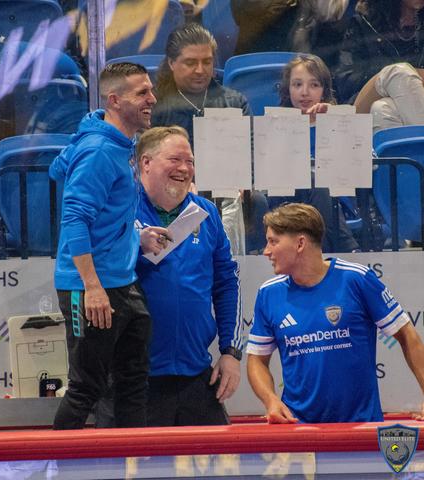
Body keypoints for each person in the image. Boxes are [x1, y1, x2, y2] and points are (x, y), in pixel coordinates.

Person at [49, 62, 159, 430]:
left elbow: (58, 169)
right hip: (93, 287)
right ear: (114, 100)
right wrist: (92, 287)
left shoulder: (118, 142)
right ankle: (58, 461)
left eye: (151, 90)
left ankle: (134, 460)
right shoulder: (98, 150)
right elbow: (75, 220)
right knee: (86, 388)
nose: (152, 99)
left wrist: (135, 238)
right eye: (142, 93)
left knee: (132, 383)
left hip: (123, 282)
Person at [247, 202, 424, 423]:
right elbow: (256, 360)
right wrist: (270, 400)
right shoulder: (268, 293)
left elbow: (407, 335)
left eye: (273, 242)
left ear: (300, 243)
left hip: (362, 428)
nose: (266, 251)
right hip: (297, 429)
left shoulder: (357, 279)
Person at [137, 125, 243, 426]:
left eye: (190, 161)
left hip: (196, 374)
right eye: (175, 159)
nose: (184, 169)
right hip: (135, 379)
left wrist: (231, 352)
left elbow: (227, 283)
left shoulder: (206, 214)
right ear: (146, 163)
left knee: (218, 456)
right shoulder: (120, 209)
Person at [152, 22, 268, 254]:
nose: (200, 70)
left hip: (229, 190)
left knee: (257, 201)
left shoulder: (234, 102)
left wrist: (244, 180)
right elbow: (148, 160)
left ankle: (248, 264)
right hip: (173, 186)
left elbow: (253, 153)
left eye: (207, 62)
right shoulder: (156, 105)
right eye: (190, 63)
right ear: (172, 63)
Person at [273, 53, 360, 253]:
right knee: (312, 179)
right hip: (288, 199)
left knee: (319, 182)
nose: (305, 92)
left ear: (324, 90)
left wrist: (336, 119)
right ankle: (348, 249)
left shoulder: (339, 120)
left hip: (336, 201)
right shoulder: (274, 125)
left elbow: (367, 162)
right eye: (297, 85)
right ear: (287, 89)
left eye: (314, 85)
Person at [335, 0, 424, 104]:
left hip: (417, 96)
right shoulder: (364, 23)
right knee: (381, 106)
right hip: (373, 99)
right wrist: (388, 76)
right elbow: (347, 81)